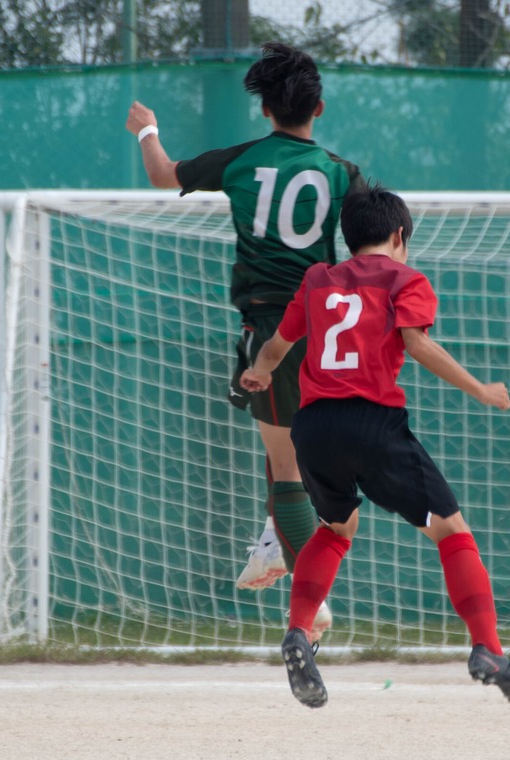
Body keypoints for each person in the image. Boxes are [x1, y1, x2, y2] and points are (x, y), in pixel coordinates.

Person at [240, 185, 510, 709]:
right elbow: (418, 343)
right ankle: (489, 650)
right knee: (451, 532)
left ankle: (298, 632)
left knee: (336, 528)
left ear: (348, 237)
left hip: (311, 427)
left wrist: (260, 372)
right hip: (372, 423)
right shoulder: (407, 280)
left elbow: (277, 346)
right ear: (400, 235)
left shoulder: (317, 280)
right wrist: (481, 390)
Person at [125, 41, 363, 639]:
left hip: (271, 331)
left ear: (266, 110)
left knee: (286, 464)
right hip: (330, 331)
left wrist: (147, 128)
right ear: (320, 108)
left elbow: (160, 173)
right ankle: (273, 542)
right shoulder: (342, 172)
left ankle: (313, 598)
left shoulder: (243, 161)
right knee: (297, 450)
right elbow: (374, 245)